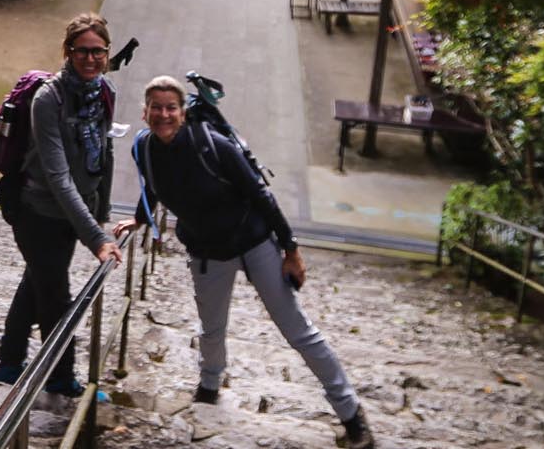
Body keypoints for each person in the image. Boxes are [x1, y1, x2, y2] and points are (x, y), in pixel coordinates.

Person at [115, 76, 374, 449]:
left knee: (297, 330)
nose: (163, 114)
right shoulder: (144, 148)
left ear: (183, 113)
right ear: (145, 112)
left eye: (171, 107)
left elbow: (260, 194)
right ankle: (208, 386)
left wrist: (291, 249)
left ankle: (351, 415)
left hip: (254, 244)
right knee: (211, 328)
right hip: (206, 251)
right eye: (156, 107)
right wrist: (140, 218)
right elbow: (153, 187)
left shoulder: (213, 146)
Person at [0, 13, 123, 397]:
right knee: (56, 296)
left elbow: (105, 153)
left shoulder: (105, 92)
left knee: (37, 282)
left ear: (107, 53)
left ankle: (7, 363)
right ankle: (61, 378)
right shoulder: (49, 99)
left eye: (98, 51)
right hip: (37, 211)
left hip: (73, 212)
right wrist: (96, 237)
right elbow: (57, 175)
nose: (91, 58)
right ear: (68, 51)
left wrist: (101, 213)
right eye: (82, 51)